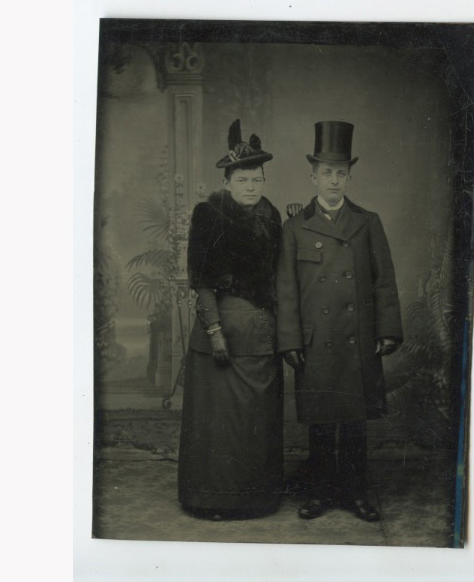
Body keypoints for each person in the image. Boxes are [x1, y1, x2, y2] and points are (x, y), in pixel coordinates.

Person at [276, 121, 403, 522]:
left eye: (341, 173)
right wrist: (290, 340)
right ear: (313, 175)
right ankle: (319, 493)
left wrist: (387, 329)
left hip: (356, 338)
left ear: (349, 177)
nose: (334, 180)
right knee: (319, 422)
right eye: (327, 172)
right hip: (315, 341)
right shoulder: (294, 227)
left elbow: (384, 280)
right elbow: (286, 290)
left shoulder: (368, 222)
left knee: (353, 423)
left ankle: (355, 493)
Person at [178, 119, 284, 521]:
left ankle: (257, 498)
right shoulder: (208, 214)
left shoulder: (271, 216)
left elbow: (279, 274)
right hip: (220, 331)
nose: (251, 187)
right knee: (219, 420)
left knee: (256, 419)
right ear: (227, 182)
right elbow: (201, 279)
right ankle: (211, 499)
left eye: (257, 179)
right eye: (242, 180)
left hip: (260, 333)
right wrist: (215, 331)